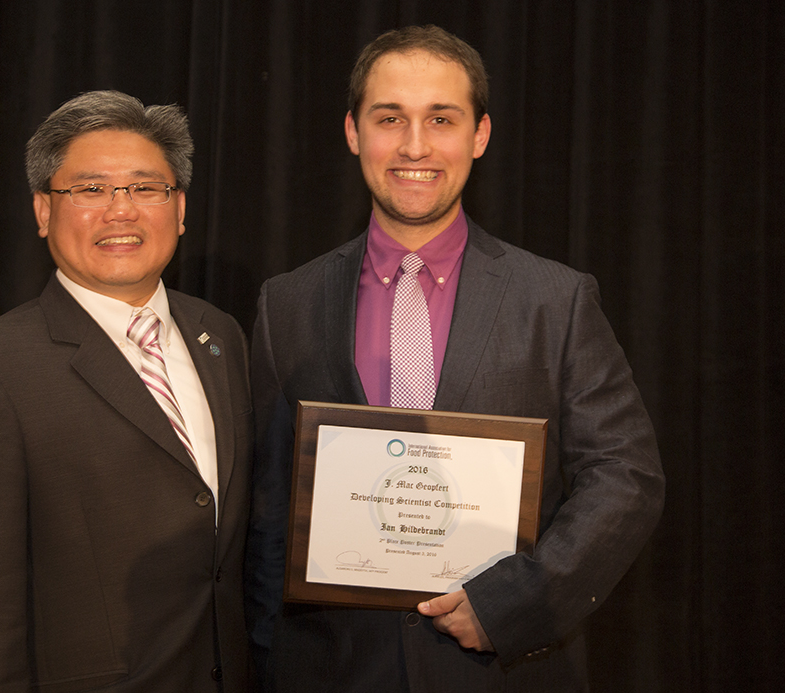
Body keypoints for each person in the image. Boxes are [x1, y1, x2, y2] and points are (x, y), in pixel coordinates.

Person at [245, 26, 665, 692]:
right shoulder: (286, 303)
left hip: (503, 670)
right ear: (353, 132)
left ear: (480, 134)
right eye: (390, 119)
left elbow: (626, 474)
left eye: (441, 118)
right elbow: (270, 513)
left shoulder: (554, 299)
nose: (415, 146)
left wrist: (511, 605)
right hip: (335, 671)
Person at [0, 90, 252, 692]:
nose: (121, 211)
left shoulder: (218, 334)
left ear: (179, 209)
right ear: (43, 211)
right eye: (91, 190)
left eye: (147, 188)